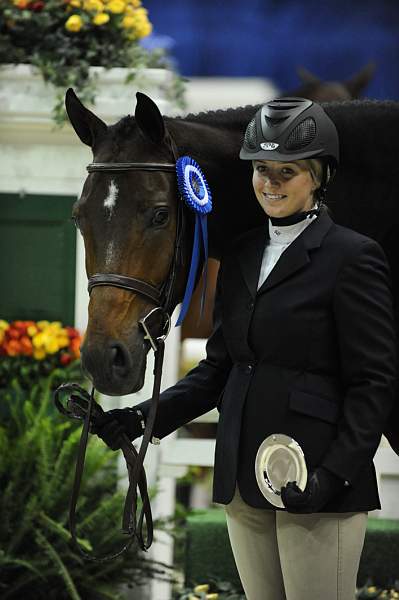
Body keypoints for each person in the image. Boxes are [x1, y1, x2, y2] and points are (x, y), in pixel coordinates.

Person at [92, 97, 397, 600]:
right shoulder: (241, 254)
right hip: (244, 481)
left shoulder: (354, 256)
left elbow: (374, 382)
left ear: (319, 175)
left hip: (319, 483)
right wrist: (143, 418)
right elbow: (220, 369)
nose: (270, 182)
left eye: (287, 170)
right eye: (261, 169)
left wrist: (334, 475)